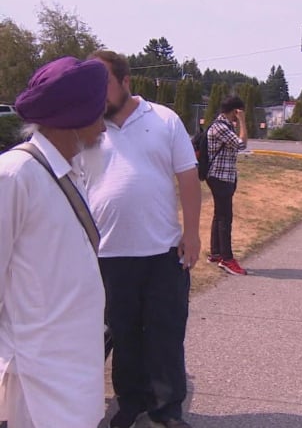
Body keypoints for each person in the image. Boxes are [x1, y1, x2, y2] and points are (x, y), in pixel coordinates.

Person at [85, 50, 201, 428]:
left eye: (102, 83)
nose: (96, 94)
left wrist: (193, 233)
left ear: (125, 82)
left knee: (165, 333)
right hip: (108, 253)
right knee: (123, 332)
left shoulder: (165, 120)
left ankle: (166, 409)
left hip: (162, 250)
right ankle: (130, 402)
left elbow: (187, 177)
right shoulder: (87, 127)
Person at [0, 56, 108, 427]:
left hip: (76, 366)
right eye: (97, 114)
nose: (104, 126)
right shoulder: (14, 175)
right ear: (71, 120)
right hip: (37, 377)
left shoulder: (69, 173)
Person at [206, 96, 248, 275]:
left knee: (219, 215)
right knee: (225, 218)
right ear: (235, 111)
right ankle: (227, 259)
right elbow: (241, 145)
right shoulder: (221, 127)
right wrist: (243, 122)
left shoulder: (222, 126)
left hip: (223, 176)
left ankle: (216, 253)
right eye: (238, 113)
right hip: (220, 177)